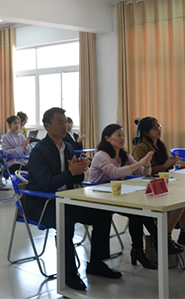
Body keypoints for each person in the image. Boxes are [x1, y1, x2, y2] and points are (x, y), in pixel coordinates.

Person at [27, 107, 121, 291]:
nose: (65, 126)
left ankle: (96, 263)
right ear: (47, 126)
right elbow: (46, 184)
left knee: (103, 213)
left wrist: (80, 169)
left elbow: (73, 179)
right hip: (43, 203)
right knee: (66, 222)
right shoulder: (39, 151)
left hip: (66, 199)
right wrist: (70, 172)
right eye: (60, 122)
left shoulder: (68, 147)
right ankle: (69, 273)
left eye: (65, 122)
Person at [89, 124, 158, 269]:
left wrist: (146, 164)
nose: (122, 138)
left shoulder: (124, 155)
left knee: (138, 211)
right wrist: (139, 163)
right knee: (137, 212)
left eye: (123, 135)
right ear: (107, 138)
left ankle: (140, 250)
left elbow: (142, 172)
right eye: (118, 135)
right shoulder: (101, 155)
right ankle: (157, 241)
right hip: (97, 197)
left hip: (115, 196)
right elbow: (114, 172)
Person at [132, 117, 185, 250]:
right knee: (177, 203)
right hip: (147, 186)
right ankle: (165, 238)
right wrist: (165, 165)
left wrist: (171, 163)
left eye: (159, 126)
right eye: (155, 128)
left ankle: (184, 234)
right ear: (145, 132)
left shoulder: (160, 145)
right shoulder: (141, 147)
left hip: (161, 183)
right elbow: (142, 172)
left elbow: (164, 167)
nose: (159, 130)